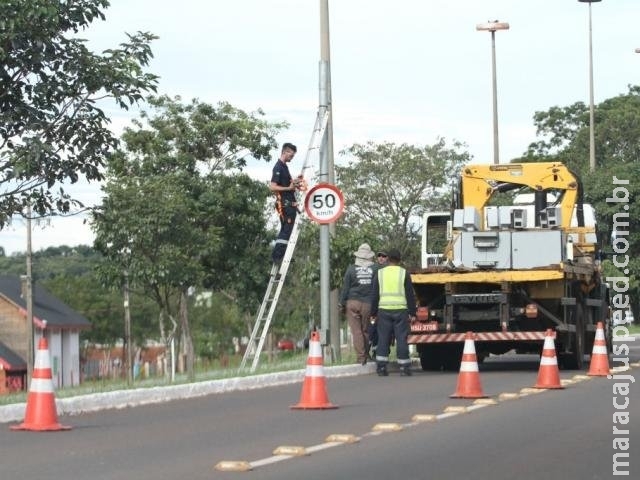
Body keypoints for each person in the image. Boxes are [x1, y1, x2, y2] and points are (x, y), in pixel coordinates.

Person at [370, 249, 416, 376]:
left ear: (388, 259)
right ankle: (404, 368)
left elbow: (374, 295)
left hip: (383, 310)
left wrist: (373, 312)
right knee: (401, 338)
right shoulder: (404, 273)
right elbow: (409, 295)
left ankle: (381, 368)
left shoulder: (380, 273)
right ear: (399, 260)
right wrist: (412, 312)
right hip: (401, 310)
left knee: (383, 338)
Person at [339, 243, 377, 365]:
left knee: (356, 331)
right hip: (368, 304)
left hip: (352, 302)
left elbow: (345, 289)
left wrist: (341, 303)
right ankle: (366, 355)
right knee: (365, 330)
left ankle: (361, 358)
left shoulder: (351, 269)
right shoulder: (375, 269)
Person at [270, 142, 300, 263]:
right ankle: (277, 257)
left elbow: (287, 185)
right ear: (285, 152)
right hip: (285, 205)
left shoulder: (284, 167)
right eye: (291, 155)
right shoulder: (278, 167)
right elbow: (272, 187)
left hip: (289, 204)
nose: (291, 158)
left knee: (286, 231)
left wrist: (294, 183)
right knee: (286, 230)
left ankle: (281, 255)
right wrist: (288, 188)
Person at [367, 250, 389, 357]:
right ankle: (373, 349)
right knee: (374, 327)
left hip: (383, 304)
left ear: (387, 258)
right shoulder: (374, 268)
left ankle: (374, 349)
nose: (381, 258)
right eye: (379, 256)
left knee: (374, 327)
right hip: (376, 303)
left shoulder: (373, 269)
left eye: (383, 256)